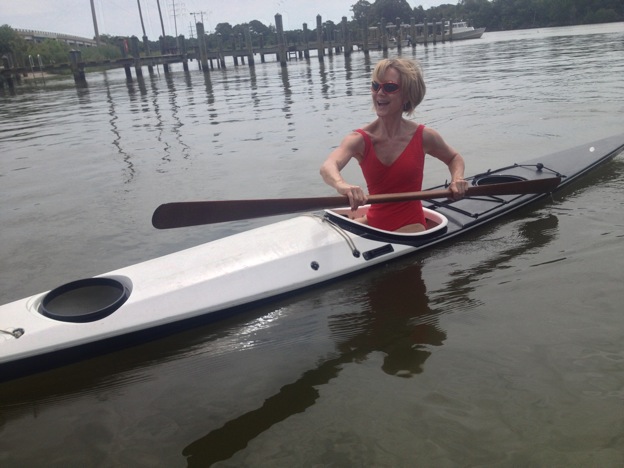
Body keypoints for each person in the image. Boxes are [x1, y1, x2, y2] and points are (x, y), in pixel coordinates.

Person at [320, 58, 468, 233]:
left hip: (411, 225)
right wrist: (342, 185)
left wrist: (457, 179)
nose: (380, 93)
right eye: (375, 86)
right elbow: (328, 166)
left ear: (406, 95)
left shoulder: (424, 137)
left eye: (389, 87)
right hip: (374, 221)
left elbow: (453, 158)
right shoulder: (359, 139)